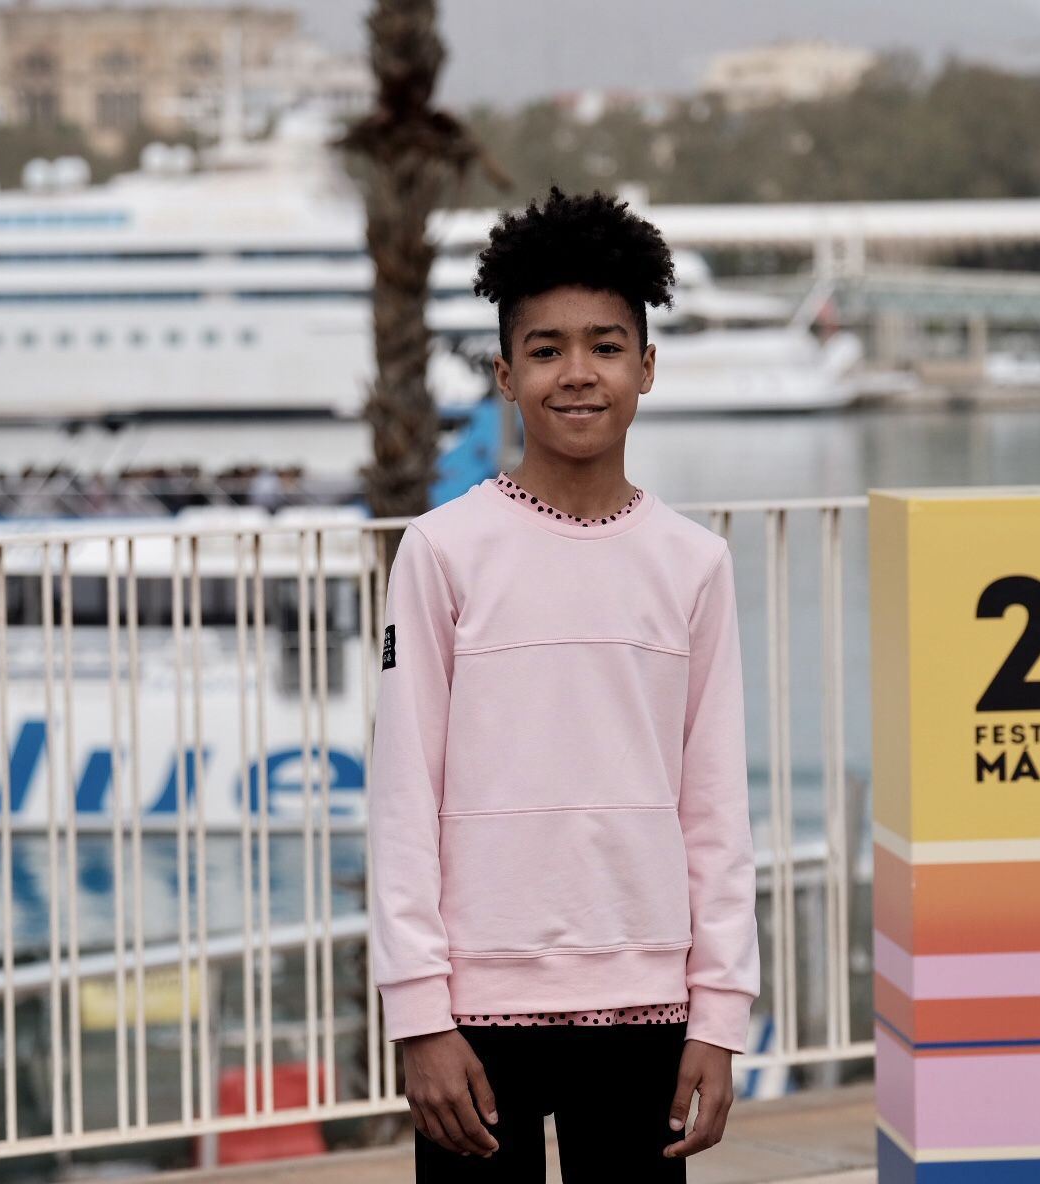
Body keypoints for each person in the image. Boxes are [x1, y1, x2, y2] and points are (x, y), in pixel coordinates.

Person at [367, 188, 759, 1182]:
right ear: (505, 374)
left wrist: (718, 1015)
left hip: (647, 1008)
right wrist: (418, 1012)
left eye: (605, 345)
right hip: (474, 1015)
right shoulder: (441, 552)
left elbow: (714, 810)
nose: (576, 373)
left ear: (647, 366)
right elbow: (404, 795)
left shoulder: (694, 563)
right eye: (545, 349)